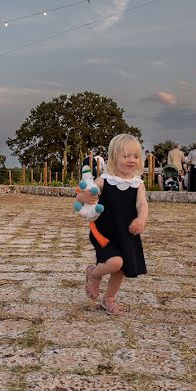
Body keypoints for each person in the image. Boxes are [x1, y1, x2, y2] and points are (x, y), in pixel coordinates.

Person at [76, 134, 148, 315]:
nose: (131, 160)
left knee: (121, 269)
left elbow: (142, 204)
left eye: (136, 156)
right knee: (115, 262)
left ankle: (108, 298)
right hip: (104, 233)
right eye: (126, 156)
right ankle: (94, 274)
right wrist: (82, 197)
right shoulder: (104, 180)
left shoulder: (138, 184)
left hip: (127, 233)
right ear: (114, 157)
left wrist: (141, 219)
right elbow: (83, 194)